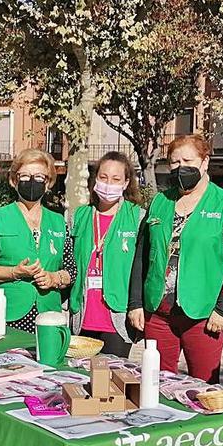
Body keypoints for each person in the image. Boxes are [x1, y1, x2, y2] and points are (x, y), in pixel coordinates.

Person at [128, 135, 223, 383]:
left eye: (188, 160)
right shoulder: (160, 201)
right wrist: (136, 302)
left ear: (204, 162)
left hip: (203, 314)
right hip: (158, 312)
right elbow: (142, 254)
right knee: (157, 384)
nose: (181, 167)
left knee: (203, 387)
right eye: (175, 162)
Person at [0, 149, 75, 332]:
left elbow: (71, 270)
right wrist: (14, 272)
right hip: (6, 315)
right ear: (14, 180)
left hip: (49, 316)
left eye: (39, 177)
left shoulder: (58, 222)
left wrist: (53, 278)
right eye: (25, 176)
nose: (32, 181)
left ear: (48, 182)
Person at [68, 151, 145, 357]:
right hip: (83, 313)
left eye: (116, 179)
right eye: (103, 177)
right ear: (95, 179)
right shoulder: (79, 216)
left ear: (126, 182)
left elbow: (142, 267)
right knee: (82, 380)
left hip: (116, 315)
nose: (108, 184)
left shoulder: (137, 216)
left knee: (112, 382)